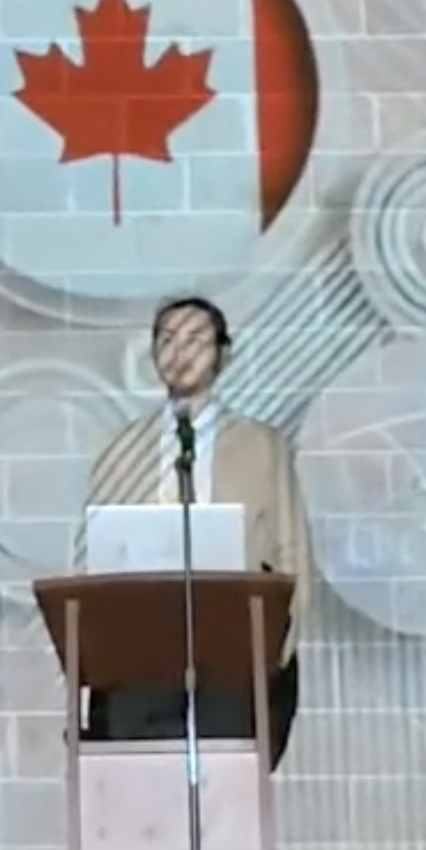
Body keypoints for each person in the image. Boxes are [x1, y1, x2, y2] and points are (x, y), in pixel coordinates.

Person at [78, 295, 314, 769]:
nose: (180, 352)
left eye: (195, 339)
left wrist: (273, 657)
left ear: (224, 355)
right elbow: (90, 559)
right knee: (142, 801)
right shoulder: (122, 453)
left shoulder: (261, 447)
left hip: (230, 660)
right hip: (139, 661)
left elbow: (293, 558)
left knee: (225, 798)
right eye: (166, 340)